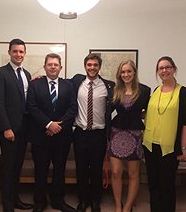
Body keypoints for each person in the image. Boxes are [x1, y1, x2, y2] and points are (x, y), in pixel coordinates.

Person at [142, 56, 186, 212]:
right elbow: (149, 114)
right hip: (150, 145)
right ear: (157, 72)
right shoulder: (156, 90)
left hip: (170, 148)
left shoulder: (184, 93)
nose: (164, 71)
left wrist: (183, 148)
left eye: (167, 67)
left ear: (174, 69)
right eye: (161, 68)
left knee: (167, 186)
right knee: (153, 185)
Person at [27, 53, 78, 212]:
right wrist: (48, 124)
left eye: (56, 64)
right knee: (40, 171)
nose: (53, 67)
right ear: (45, 67)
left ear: (60, 67)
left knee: (59, 171)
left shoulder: (69, 85)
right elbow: (32, 107)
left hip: (62, 137)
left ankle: (58, 200)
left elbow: (73, 108)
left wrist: (58, 126)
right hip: (40, 137)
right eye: (50, 64)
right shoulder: (35, 85)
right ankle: (40, 202)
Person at [0, 38, 34, 212]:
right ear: (9, 52)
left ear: (25, 53)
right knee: (8, 168)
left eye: (21, 51)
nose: (18, 54)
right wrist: (7, 127)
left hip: (24, 127)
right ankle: (7, 205)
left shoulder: (27, 74)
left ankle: (15, 199)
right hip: (8, 129)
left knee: (17, 167)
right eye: (15, 51)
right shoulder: (0, 73)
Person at [70, 53, 115, 212]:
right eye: (89, 65)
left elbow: (116, 105)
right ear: (85, 66)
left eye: (95, 65)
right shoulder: (77, 82)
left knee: (96, 169)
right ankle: (83, 200)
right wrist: (39, 77)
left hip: (98, 134)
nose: (92, 68)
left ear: (99, 67)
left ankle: (96, 201)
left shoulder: (109, 86)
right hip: (80, 133)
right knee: (81, 169)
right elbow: (58, 81)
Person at [108, 60, 150, 212]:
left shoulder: (145, 90)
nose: (126, 75)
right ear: (119, 74)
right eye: (123, 72)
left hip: (135, 134)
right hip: (116, 132)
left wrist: (141, 116)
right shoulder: (115, 90)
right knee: (116, 171)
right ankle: (118, 205)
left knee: (133, 173)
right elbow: (108, 111)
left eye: (129, 71)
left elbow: (149, 112)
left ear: (134, 72)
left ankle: (127, 207)